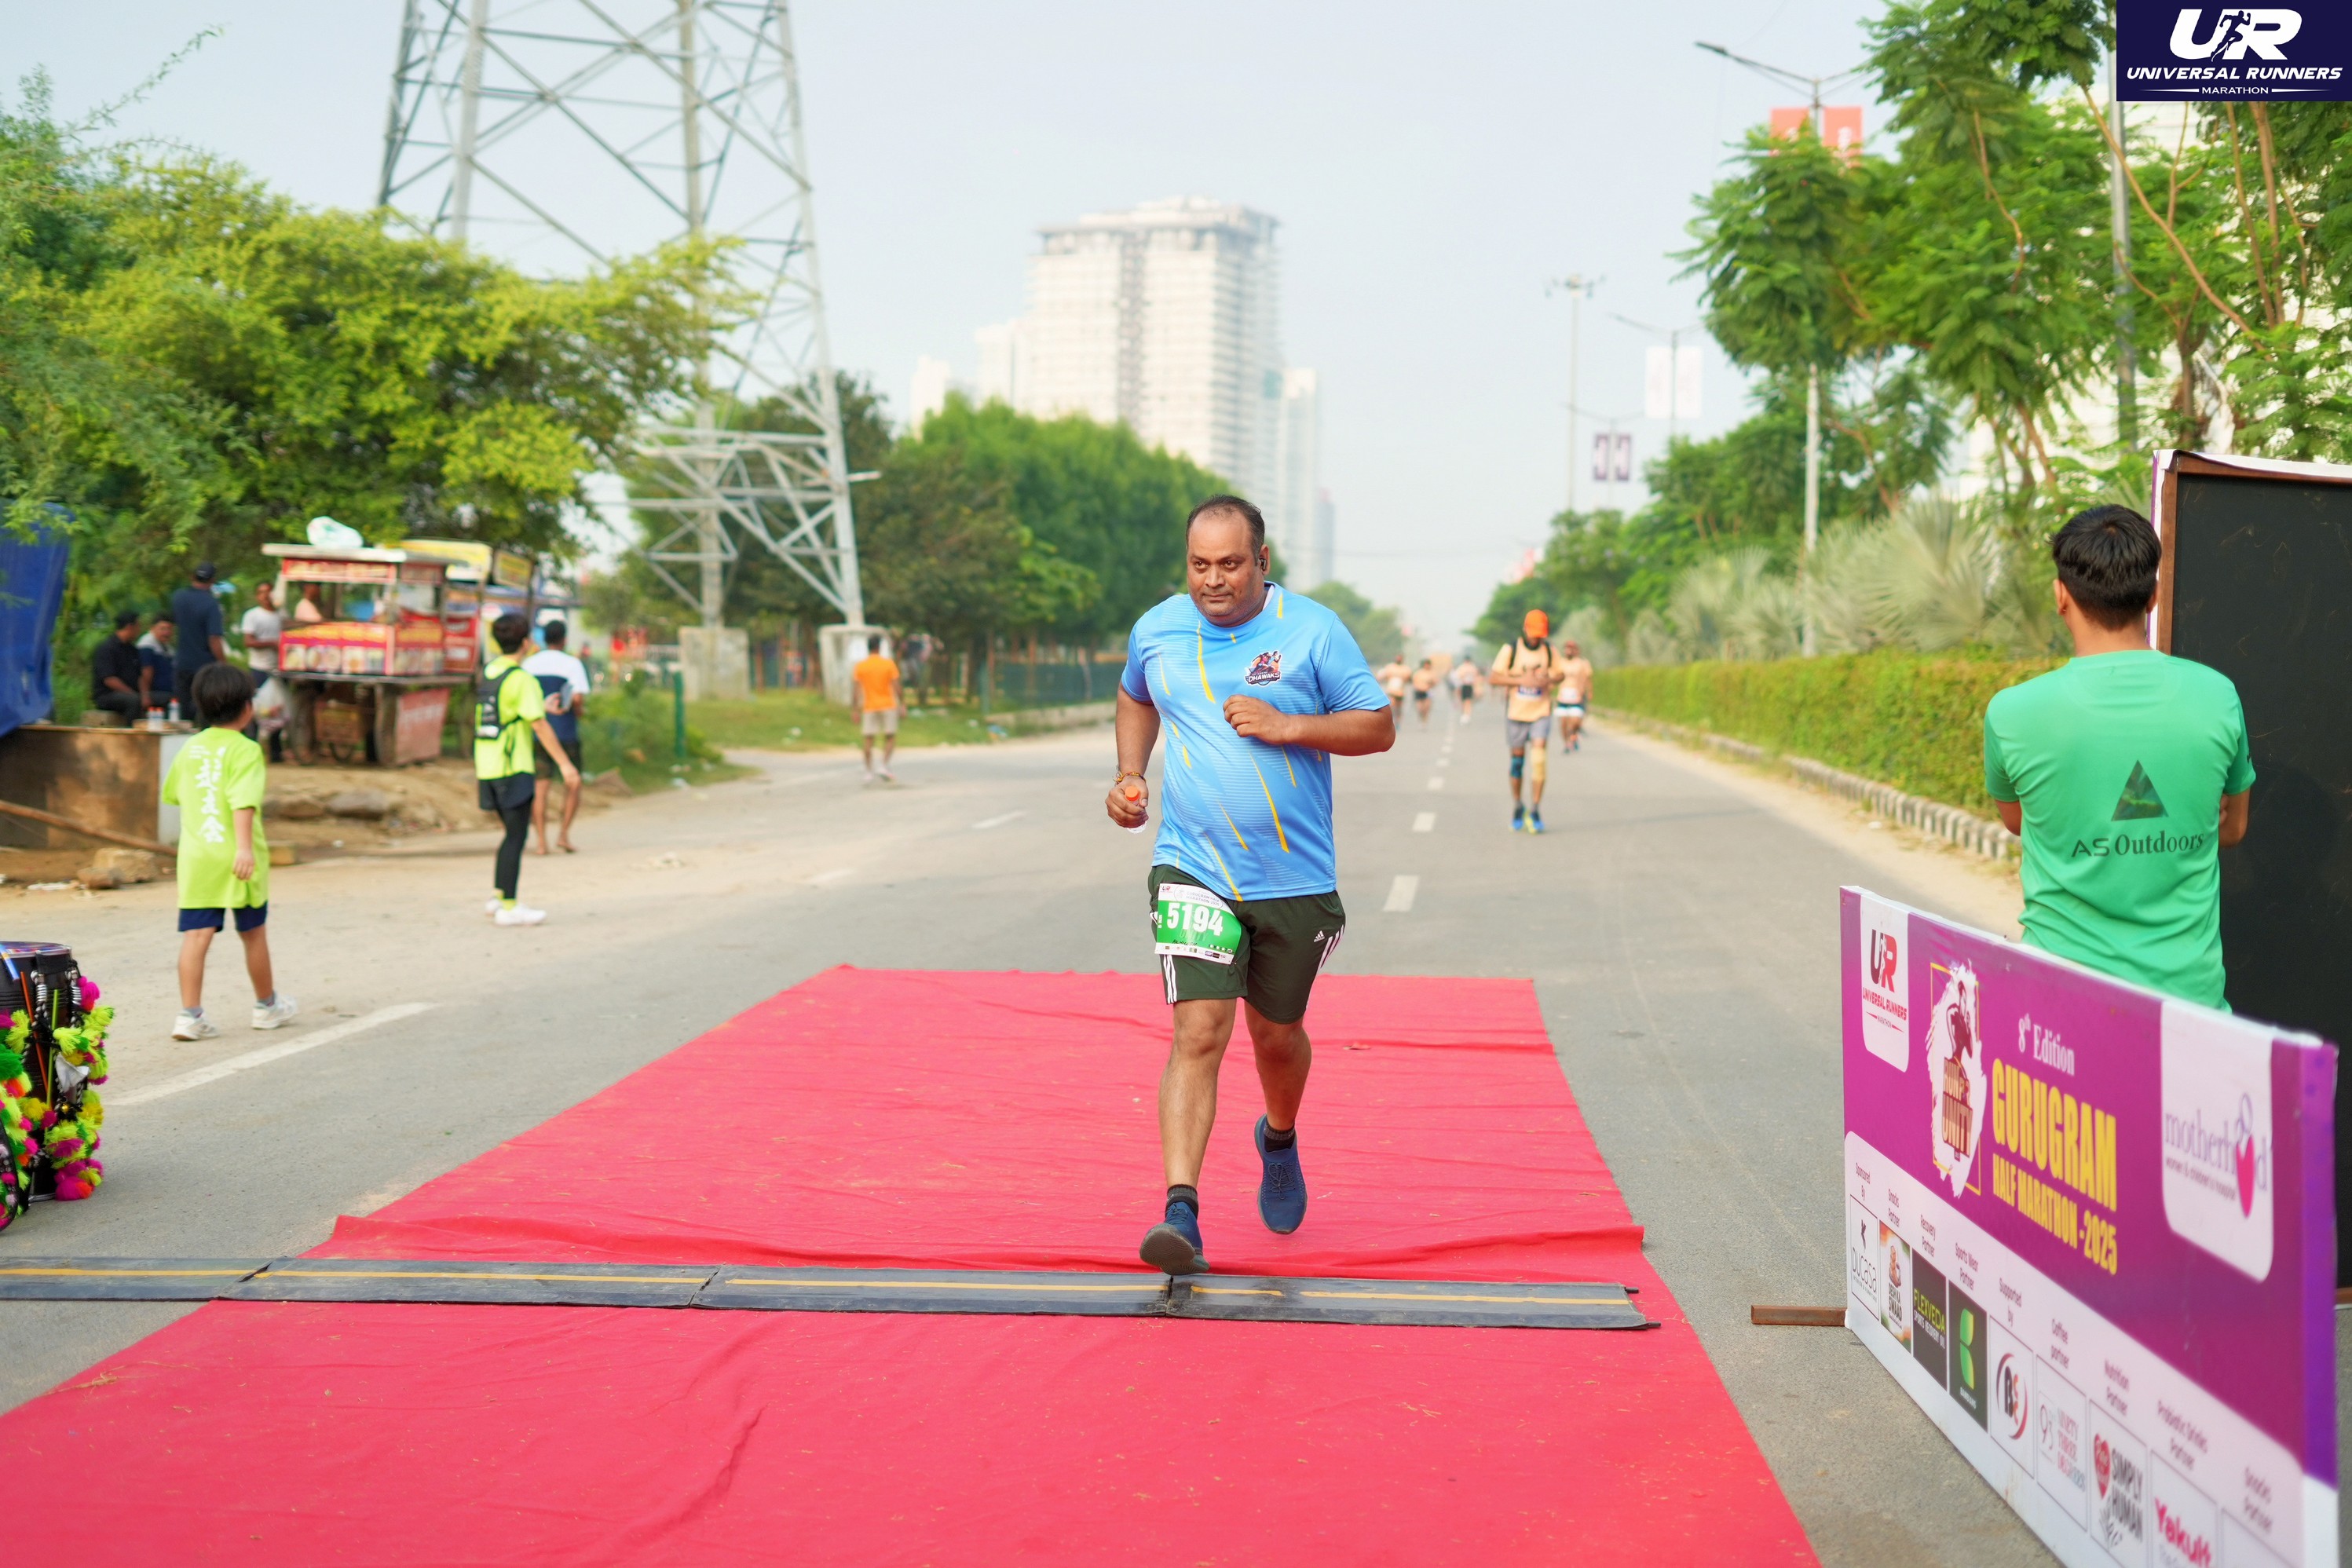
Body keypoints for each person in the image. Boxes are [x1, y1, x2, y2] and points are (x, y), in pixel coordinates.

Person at [1107, 494, 1394, 1276]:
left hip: (1294, 877)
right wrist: (1130, 773)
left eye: (1230, 564)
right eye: (1199, 564)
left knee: (1275, 1035)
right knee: (1198, 1032)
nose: (1212, 579)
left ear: (1261, 561)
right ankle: (1180, 1211)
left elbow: (1376, 725)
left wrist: (1288, 724)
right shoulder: (1158, 628)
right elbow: (1135, 691)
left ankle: (1278, 1136)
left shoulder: (1312, 630)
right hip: (1192, 865)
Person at [1984, 505, 2252, 1007]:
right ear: (2153, 596)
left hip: (2058, 1005)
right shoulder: (2218, 695)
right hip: (2190, 1010)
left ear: (2060, 596)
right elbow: (2232, 828)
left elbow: (2020, 821)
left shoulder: (2012, 712)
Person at [163, 663, 298, 1040]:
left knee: (196, 936)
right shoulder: (247, 750)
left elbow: (174, 794)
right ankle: (266, 1006)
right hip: (238, 857)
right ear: (247, 708)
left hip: (197, 858)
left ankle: (189, 1015)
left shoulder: (190, 748)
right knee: (253, 932)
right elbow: (243, 802)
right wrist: (244, 849)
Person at [474, 612, 580, 927]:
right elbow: (540, 726)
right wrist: (565, 765)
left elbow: (506, 709)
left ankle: (499, 896)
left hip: (487, 764)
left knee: (510, 833)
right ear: (525, 642)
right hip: (513, 766)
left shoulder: (491, 671)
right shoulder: (523, 679)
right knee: (516, 836)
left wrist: (539, 705)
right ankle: (509, 906)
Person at [1492, 609, 1567, 833]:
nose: (1536, 639)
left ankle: (1535, 809)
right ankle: (1518, 804)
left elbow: (1560, 674)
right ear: (1525, 629)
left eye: (1540, 635)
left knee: (1539, 759)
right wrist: (1519, 680)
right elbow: (1494, 677)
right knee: (1518, 763)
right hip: (1516, 714)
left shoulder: (1549, 650)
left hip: (1541, 712)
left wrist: (1548, 679)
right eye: (1534, 634)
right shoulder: (1511, 649)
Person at [525, 620, 591, 855]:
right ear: (564, 639)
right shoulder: (572, 664)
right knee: (573, 783)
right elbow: (578, 698)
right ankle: (563, 835)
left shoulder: (530, 664)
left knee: (540, 787)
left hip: (538, 734)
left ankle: (541, 842)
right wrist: (578, 711)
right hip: (565, 732)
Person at [170, 562, 229, 715]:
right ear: (212, 581)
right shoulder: (211, 604)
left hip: (182, 664)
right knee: (203, 709)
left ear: (192, 577)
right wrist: (224, 664)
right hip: (205, 668)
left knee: (183, 711)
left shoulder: (178, 598)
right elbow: (214, 639)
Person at [239, 582, 286, 756]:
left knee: (278, 708)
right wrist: (271, 644)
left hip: (279, 669)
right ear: (257, 596)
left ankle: (276, 751)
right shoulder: (252, 616)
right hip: (259, 668)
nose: (265, 596)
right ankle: (252, 746)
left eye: (268, 592)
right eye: (261, 592)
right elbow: (248, 641)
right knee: (257, 708)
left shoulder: (282, 615)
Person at [852, 634, 903, 783]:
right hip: (888, 705)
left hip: (869, 706)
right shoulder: (888, 664)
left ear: (868, 647)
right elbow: (897, 686)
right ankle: (883, 765)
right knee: (890, 736)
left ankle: (868, 771)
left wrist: (855, 710)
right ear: (879, 647)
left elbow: (856, 690)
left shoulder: (861, 666)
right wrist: (903, 704)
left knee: (868, 739)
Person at [90, 611, 144, 725]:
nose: (139, 630)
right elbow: (109, 679)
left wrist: (145, 695)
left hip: (132, 692)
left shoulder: (132, 650)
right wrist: (131, 693)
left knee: (161, 699)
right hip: (107, 695)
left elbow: (140, 676)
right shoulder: (107, 648)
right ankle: (129, 731)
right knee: (134, 701)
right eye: (138, 626)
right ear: (130, 627)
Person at [1553, 637, 1594, 754]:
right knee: (1563, 722)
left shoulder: (1582, 663)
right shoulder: (1560, 663)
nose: (1569, 651)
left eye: (1571, 648)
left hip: (1577, 696)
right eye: (1567, 648)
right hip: (1563, 696)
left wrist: (1589, 691)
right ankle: (1567, 743)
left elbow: (1587, 678)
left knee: (1575, 722)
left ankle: (1574, 735)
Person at [134, 615, 177, 713]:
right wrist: (145, 695)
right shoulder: (147, 645)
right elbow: (145, 671)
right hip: (153, 693)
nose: (166, 633)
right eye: (163, 629)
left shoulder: (169, 648)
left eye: (169, 629)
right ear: (153, 628)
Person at [1375, 653, 1410, 722]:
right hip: (1391, 691)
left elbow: (1409, 679)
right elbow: (1382, 675)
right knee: (1392, 705)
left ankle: (1398, 720)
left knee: (1399, 708)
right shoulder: (1390, 667)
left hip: (1401, 692)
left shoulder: (1406, 669)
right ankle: (1392, 719)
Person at [1409, 656, 1439, 727]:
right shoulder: (1418, 673)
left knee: (1426, 708)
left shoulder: (1432, 673)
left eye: (1428, 664)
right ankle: (1421, 719)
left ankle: (1424, 721)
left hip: (1428, 692)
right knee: (1420, 708)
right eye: (1426, 664)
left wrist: (1431, 683)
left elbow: (1435, 682)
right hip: (1419, 691)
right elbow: (1413, 681)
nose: (1427, 666)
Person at [1450, 655, 1481, 723]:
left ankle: (1467, 714)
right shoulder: (1462, 667)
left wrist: (1477, 688)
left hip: (1470, 686)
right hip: (1464, 685)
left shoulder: (1473, 668)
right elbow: (1458, 677)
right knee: (1464, 701)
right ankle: (1465, 714)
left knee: (1468, 701)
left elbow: (1476, 677)